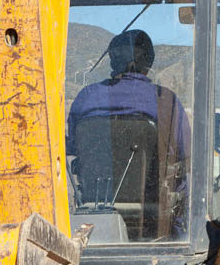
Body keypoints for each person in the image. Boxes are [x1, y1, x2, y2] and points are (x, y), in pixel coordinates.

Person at [67, 29, 191, 237]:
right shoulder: (165, 101)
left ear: (112, 61)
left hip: (93, 210)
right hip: (153, 217)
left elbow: (72, 149)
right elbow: (185, 156)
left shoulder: (86, 98)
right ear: (149, 63)